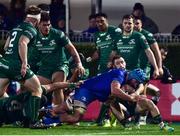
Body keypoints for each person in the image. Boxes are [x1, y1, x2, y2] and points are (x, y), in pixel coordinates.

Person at [50, 68, 147, 125]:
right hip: (86, 91)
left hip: (91, 92)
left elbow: (112, 100)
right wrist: (130, 98)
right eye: (136, 81)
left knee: (61, 108)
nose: (136, 84)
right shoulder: (120, 75)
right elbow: (115, 90)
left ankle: (46, 112)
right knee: (76, 118)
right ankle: (50, 118)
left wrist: (136, 94)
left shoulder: (125, 76)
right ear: (132, 77)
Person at [29, 12, 85, 106]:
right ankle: (33, 114)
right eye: (44, 25)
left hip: (60, 66)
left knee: (57, 89)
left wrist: (79, 63)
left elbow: (71, 48)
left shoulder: (58, 34)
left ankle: (57, 116)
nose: (47, 27)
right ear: (38, 25)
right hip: (44, 68)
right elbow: (30, 54)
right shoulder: (34, 36)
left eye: (49, 25)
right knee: (33, 88)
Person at [0, 5, 42, 127]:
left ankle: (10, 116)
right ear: (35, 20)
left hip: (4, 64)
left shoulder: (16, 28)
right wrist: (24, 63)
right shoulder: (31, 29)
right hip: (16, 65)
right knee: (37, 89)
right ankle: (34, 122)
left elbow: (6, 47)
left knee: (2, 94)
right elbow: (22, 43)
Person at [0, 81, 81, 128]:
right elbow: (54, 85)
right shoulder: (32, 92)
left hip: (5, 116)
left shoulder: (36, 93)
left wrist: (72, 84)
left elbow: (54, 85)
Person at [115, 14, 159, 78]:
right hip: (121, 71)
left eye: (130, 23)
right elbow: (113, 53)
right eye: (125, 23)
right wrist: (110, 62)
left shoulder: (139, 36)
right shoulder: (117, 37)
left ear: (133, 24)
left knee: (139, 87)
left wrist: (156, 68)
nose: (127, 25)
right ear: (122, 24)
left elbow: (149, 52)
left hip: (135, 71)